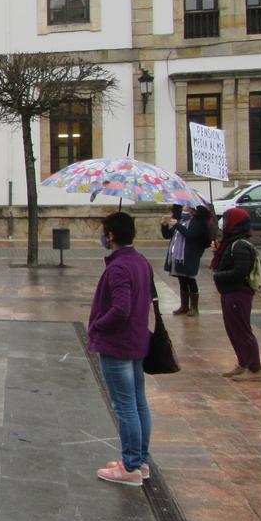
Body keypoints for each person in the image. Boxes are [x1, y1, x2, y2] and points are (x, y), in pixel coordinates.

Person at [88, 211, 154, 487]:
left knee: (125, 405)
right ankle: (139, 461)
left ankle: (129, 467)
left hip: (118, 344)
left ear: (111, 235)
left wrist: (97, 325)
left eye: (104, 231)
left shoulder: (118, 267)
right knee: (138, 403)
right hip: (137, 340)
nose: (102, 236)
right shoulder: (140, 261)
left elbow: (121, 309)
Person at [212, 207, 261, 382]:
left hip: (238, 293)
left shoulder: (240, 245)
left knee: (242, 331)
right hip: (229, 292)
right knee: (233, 330)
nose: (224, 224)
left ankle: (255, 369)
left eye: (227, 220)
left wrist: (218, 275)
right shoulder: (231, 243)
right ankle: (244, 363)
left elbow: (240, 271)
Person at [160, 203, 212, 316]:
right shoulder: (181, 220)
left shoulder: (197, 222)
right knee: (182, 279)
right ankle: (184, 306)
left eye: (187, 206)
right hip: (178, 256)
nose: (184, 207)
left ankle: (194, 307)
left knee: (190, 279)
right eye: (183, 206)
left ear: (193, 209)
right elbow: (168, 235)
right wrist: (164, 225)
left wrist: (177, 224)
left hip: (190, 255)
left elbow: (190, 235)